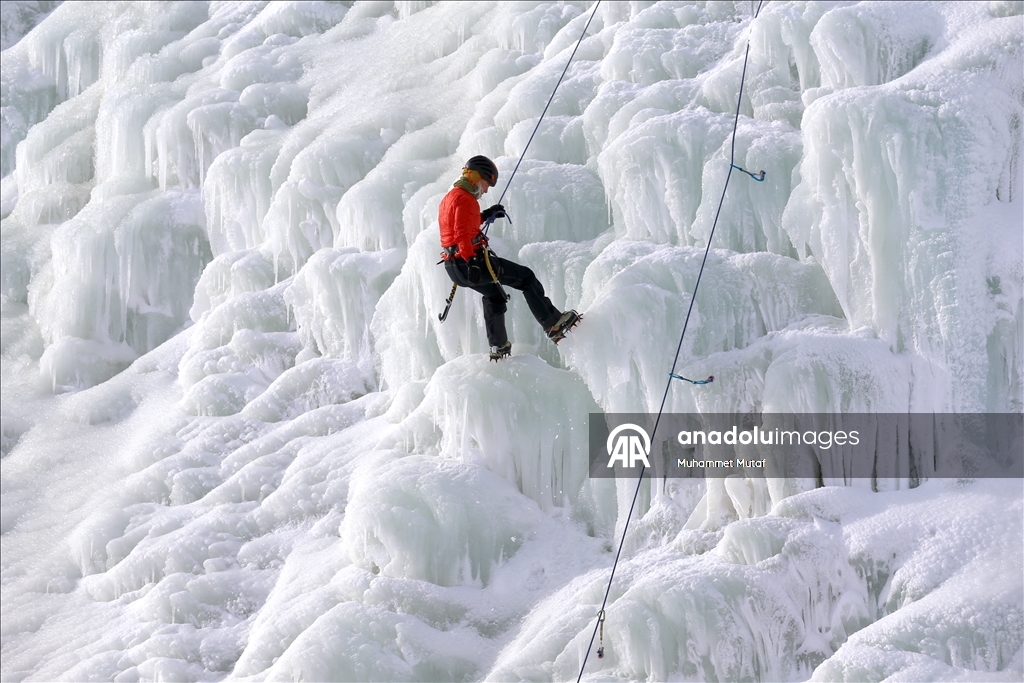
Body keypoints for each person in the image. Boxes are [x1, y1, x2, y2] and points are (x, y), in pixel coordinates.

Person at [438, 155, 579, 361]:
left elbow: (462, 224)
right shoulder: (465, 199)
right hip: (469, 262)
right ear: (476, 177)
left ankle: (499, 346)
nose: (486, 190)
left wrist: (485, 215)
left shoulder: (451, 197)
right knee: (526, 278)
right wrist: (473, 262)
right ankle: (554, 323)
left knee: (494, 296)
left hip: (454, 268)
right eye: (486, 184)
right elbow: (461, 234)